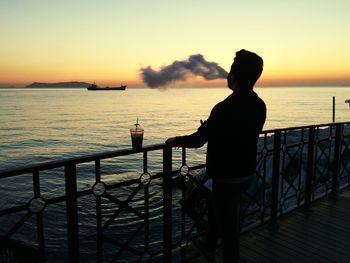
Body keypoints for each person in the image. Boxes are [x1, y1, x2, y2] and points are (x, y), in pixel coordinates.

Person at [166, 49, 266, 262]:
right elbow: (241, 133)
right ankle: (209, 245)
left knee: (230, 233)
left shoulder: (224, 108)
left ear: (234, 76)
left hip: (226, 177)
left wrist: (175, 140)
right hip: (246, 172)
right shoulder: (259, 105)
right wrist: (214, 129)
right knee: (219, 212)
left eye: (230, 71)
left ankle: (219, 252)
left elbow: (198, 140)